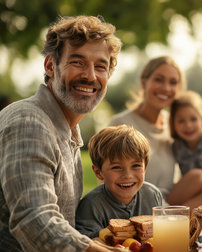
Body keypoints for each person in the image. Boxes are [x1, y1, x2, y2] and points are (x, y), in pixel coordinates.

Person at [0, 15, 122, 252]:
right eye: (77, 62)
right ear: (50, 66)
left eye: (100, 66)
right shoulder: (29, 121)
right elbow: (34, 219)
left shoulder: (67, 133)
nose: (90, 76)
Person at [109, 56, 202, 209]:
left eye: (173, 82)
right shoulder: (120, 125)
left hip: (170, 201)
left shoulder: (174, 123)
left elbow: (201, 150)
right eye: (159, 79)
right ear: (144, 82)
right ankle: (177, 220)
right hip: (136, 205)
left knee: (201, 178)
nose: (166, 88)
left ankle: (177, 220)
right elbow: (107, 180)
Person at [76, 125, 164, 238]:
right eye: (116, 167)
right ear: (98, 172)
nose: (127, 175)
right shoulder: (91, 205)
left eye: (136, 165)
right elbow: (86, 242)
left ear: (145, 167)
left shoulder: (152, 195)